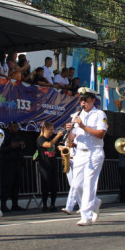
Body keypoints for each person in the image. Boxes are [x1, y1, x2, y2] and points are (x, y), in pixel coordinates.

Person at [65, 87, 108, 226]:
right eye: (81, 100)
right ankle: (95, 202)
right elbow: (72, 139)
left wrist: (83, 126)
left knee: (89, 183)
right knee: (76, 185)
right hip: (80, 153)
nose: (83, 103)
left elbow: (101, 134)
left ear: (93, 100)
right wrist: (69, 133)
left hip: (94, 152)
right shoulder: (76, 116)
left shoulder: (100, 114)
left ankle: (86, 216)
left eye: (86, 100)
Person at [36, 122, 65, 211]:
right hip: (44, 165)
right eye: (51, 130)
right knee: (46, 184)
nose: (52, 131)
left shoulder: (52, 139)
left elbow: (57, 147)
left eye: (53, 129)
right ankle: (44, 205)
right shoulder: (40, 139)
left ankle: (52, 204)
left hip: (53, 165)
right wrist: (58, 136)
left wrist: (62, 150)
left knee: (54, 185)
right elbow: (48, 145)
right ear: (45, 129)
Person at [0, 121, 27, 212]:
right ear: (9, 127)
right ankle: (3, 205)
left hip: (17, 162)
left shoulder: (18, 136)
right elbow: (1, 149)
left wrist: (22, 145)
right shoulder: (5, 136)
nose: (15, 128)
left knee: (16, 184)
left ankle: (15, 204)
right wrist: (12, 147)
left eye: (16, 126)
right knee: (7, 184)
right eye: (13, 126)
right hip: (8, 163)